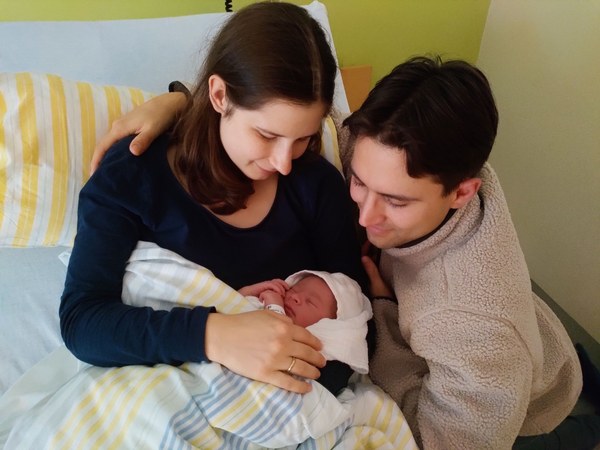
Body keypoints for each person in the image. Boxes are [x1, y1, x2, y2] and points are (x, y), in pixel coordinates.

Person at [91, 55, 600, 449]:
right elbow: (282, 112)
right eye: (358, 181)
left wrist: (381, 315)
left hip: (516, 412)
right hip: (510, 342)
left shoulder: (475, 328)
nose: (363, 216)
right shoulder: (383, 142)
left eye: (395, 201)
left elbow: (429, 439)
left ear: (462, 193)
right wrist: (181, 103)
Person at [60, 1, 368, 399]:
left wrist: (290, 385)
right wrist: (215, 335)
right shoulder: (133, 175)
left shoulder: (316, 185)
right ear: (220, 95)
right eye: (267, 135)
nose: (284, 163)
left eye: (303, 139)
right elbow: (83, 322)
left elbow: (356, 320)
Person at [240, 270, 373, 374]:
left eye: (310, 302)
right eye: (293, 289)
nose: (295, 297)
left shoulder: (306, 353)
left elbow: (273, 338)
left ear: (330, 327)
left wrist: (274, 307)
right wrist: (245, 293)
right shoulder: (263, 301)